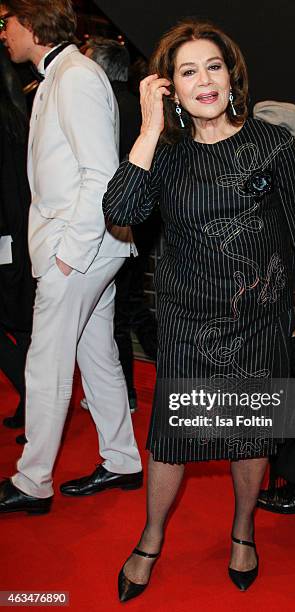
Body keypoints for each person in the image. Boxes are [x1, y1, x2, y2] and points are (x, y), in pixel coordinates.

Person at [103, 19, 295, 600]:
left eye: (212, 66)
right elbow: (121, 210)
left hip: (259, 314)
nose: (203, 80)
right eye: (187, 72)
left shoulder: (271, 145)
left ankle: (243, 530)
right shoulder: (169, 158)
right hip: (187, 321)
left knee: (249, 434)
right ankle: (151, 537)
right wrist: (149, 128)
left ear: (231, 77)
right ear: (170, 89)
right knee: (175, 437)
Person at [0, 0, 143, 516]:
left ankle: (32, 480)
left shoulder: (75, 77)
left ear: (32, 24)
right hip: (92, 247)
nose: (3, 33)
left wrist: (68, 257)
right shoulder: (63, 73)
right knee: (97, 356)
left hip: (81, 248)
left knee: (45, 363)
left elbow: (100, 173)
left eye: (6, 22)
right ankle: (123, 460)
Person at [81, 37, 160, 413]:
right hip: (143, 221)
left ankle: (126, 393)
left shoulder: (104, 107)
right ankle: (166, 379)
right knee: (130, 306)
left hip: (118, 221)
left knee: (118, 310)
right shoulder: (134, 106)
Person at [0, 41, 35, 433]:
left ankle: (32, 393)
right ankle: (32, 398)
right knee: (23, 323)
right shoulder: (20, 116)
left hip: (9, 234)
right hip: (22, 231)